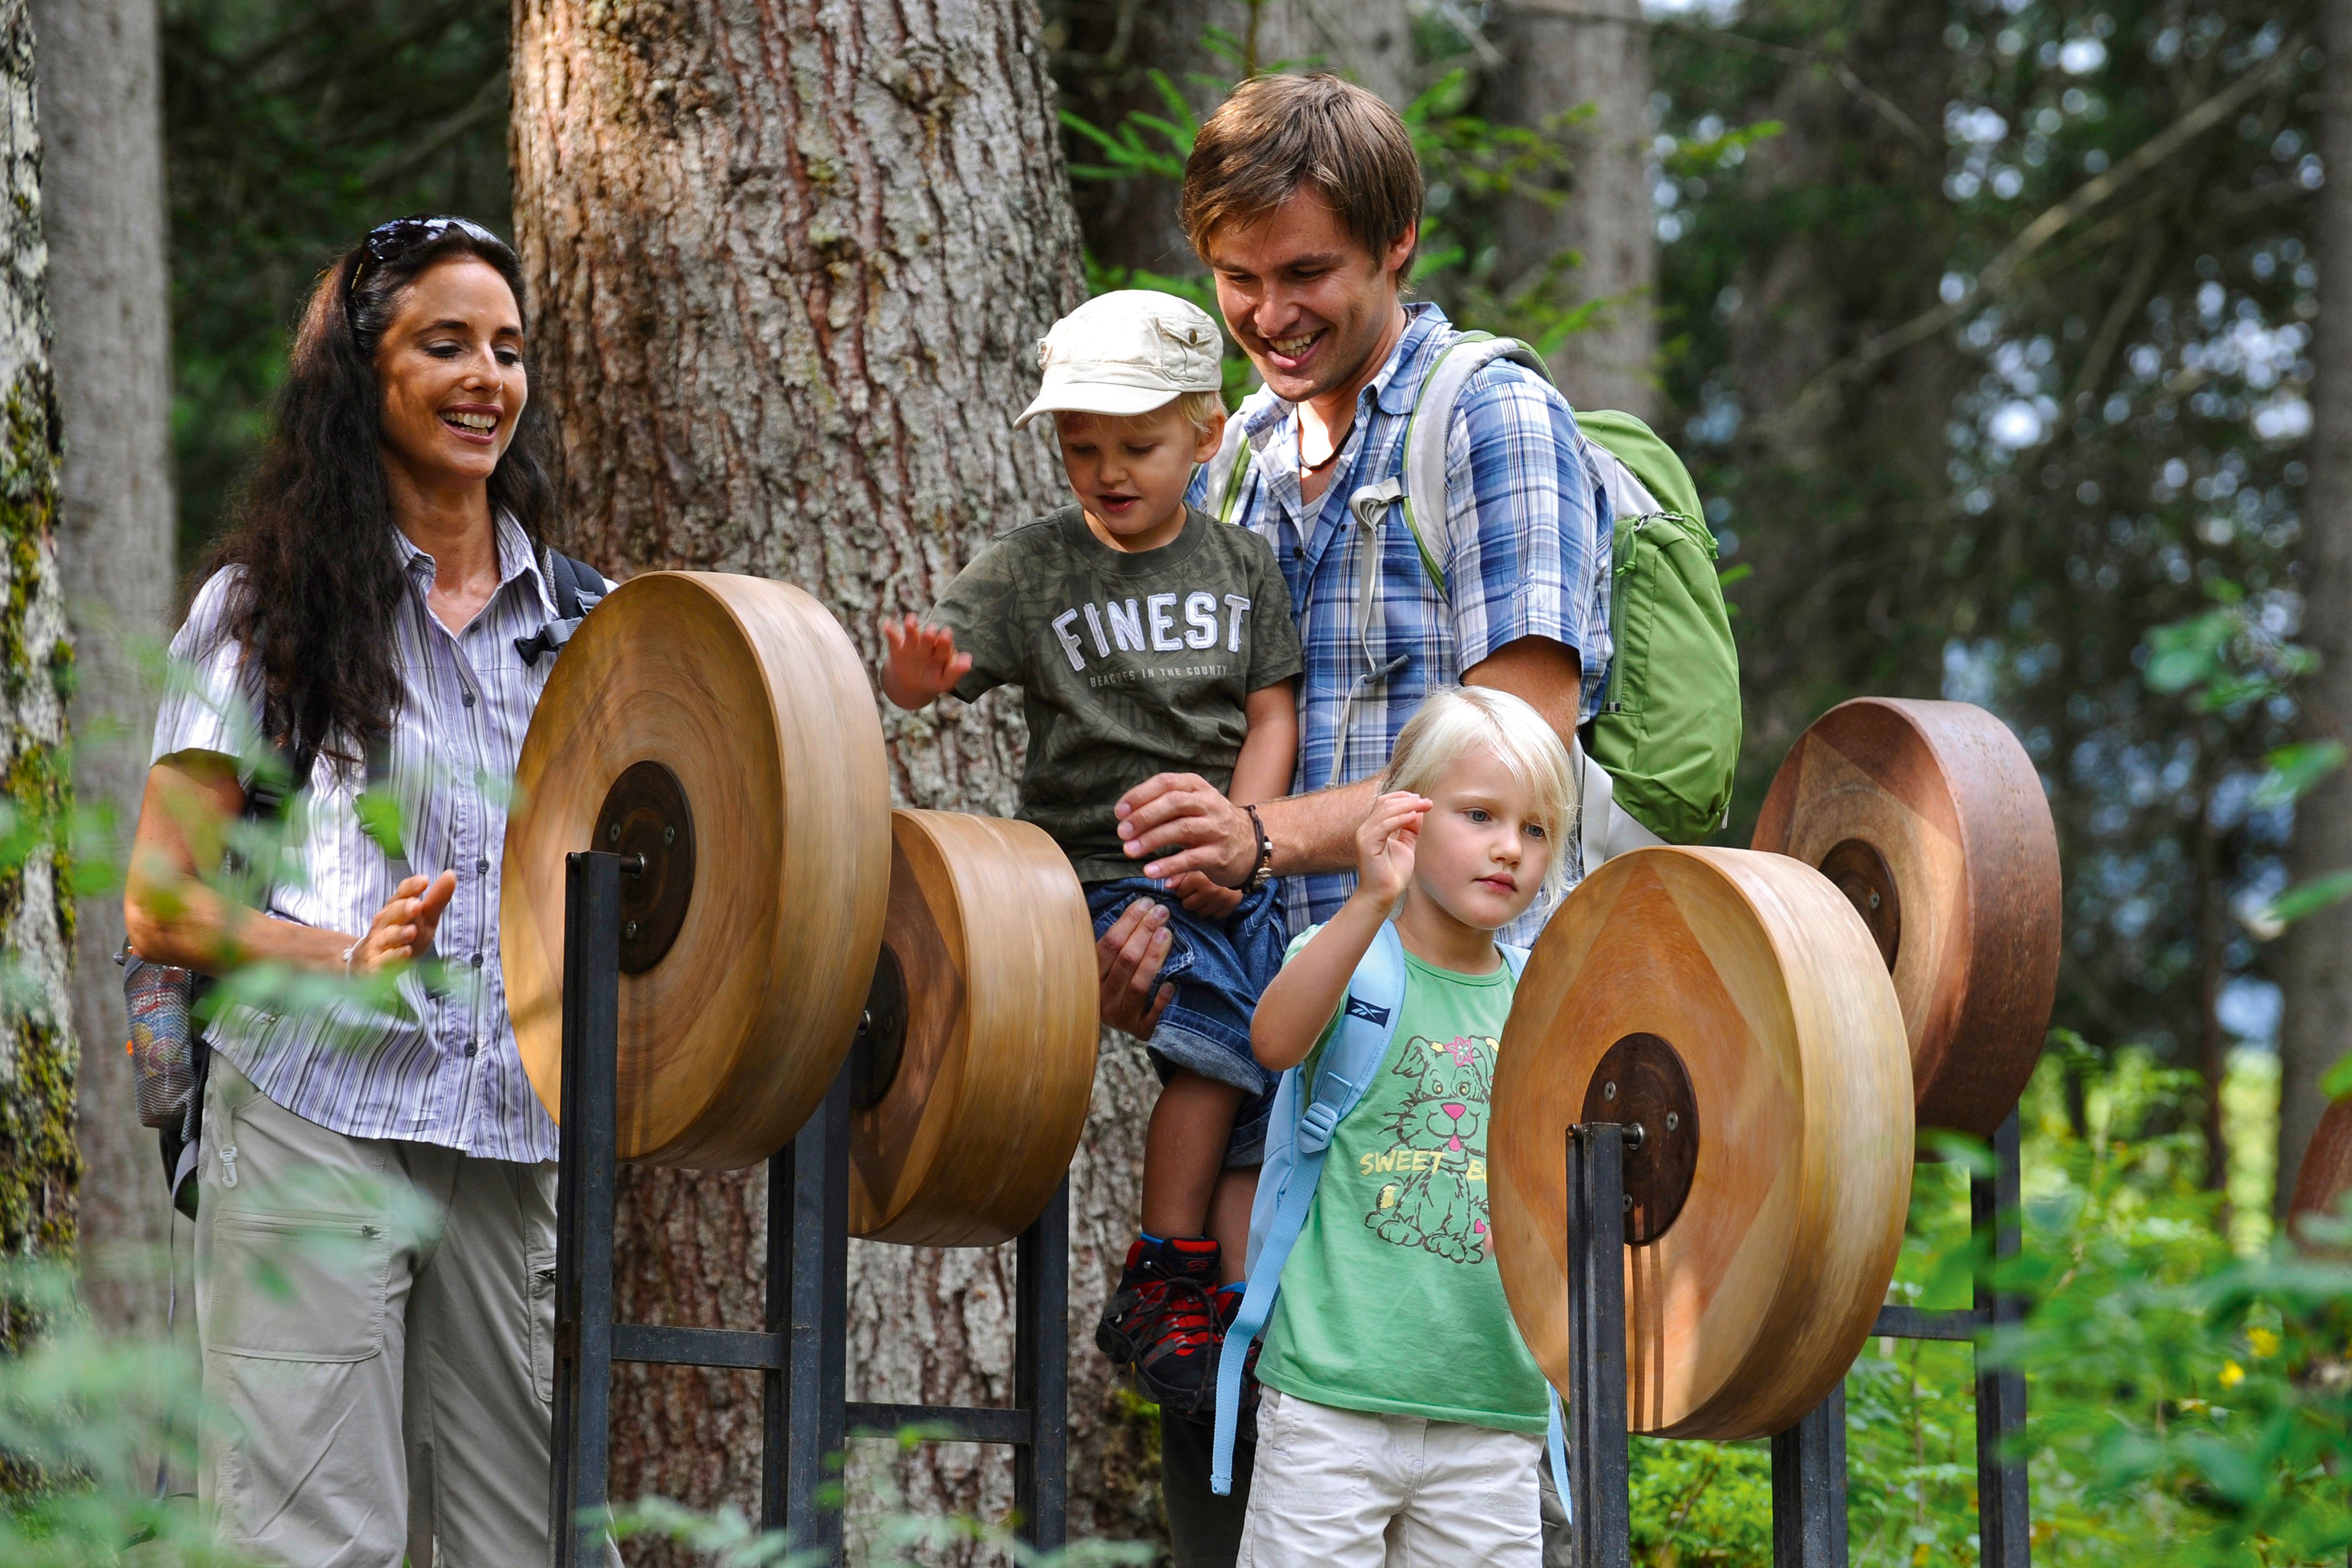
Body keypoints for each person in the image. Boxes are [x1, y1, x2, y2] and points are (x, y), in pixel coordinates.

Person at [1087, 72, 1612, 1559]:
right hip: (1277, 1093)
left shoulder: (1491, 425)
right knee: (1238, 1504)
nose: (1272, 312)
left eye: (1308, 272)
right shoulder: (1242, 454)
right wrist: (1163, 912)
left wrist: (1269, 841)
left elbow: (1517, 745)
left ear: (1398, 246)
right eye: (1238, 279)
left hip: (1453, 1109)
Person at [125, 215, 609, 1566]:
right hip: (311, 1112)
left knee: (530, 1546)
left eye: (508, 351)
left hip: (513, 1134)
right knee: (306, 1542)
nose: (485, 379)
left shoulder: (591, 625)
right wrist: (344, 956)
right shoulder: (262, 608)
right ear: (360, 373)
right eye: (443, 343)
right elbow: (160, 905)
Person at [878, 291, 1303, 1414]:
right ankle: (1164, 1267)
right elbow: (936, 672)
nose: (1107, 471)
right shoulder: (1034, 570)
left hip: (1227, 876)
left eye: (1136, 445)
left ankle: (1227, 1317)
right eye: (1080, 450)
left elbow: (1271, 716)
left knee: (1268, 1085)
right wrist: (917, 678)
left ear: (1204, 437)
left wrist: (1246, 843)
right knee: (1219, 1044)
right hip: (1096, 870)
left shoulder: (1243, 567)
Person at [1237, 686, 1568, 1566]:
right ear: (1407, 817)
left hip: (1490, 1411)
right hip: (1331, 1401)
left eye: (1536, 830)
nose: (1510, 848)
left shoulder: (1544, 996)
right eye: (1482, 815)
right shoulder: (1352, 956)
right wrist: (1365, 902)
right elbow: (1273, 1043)